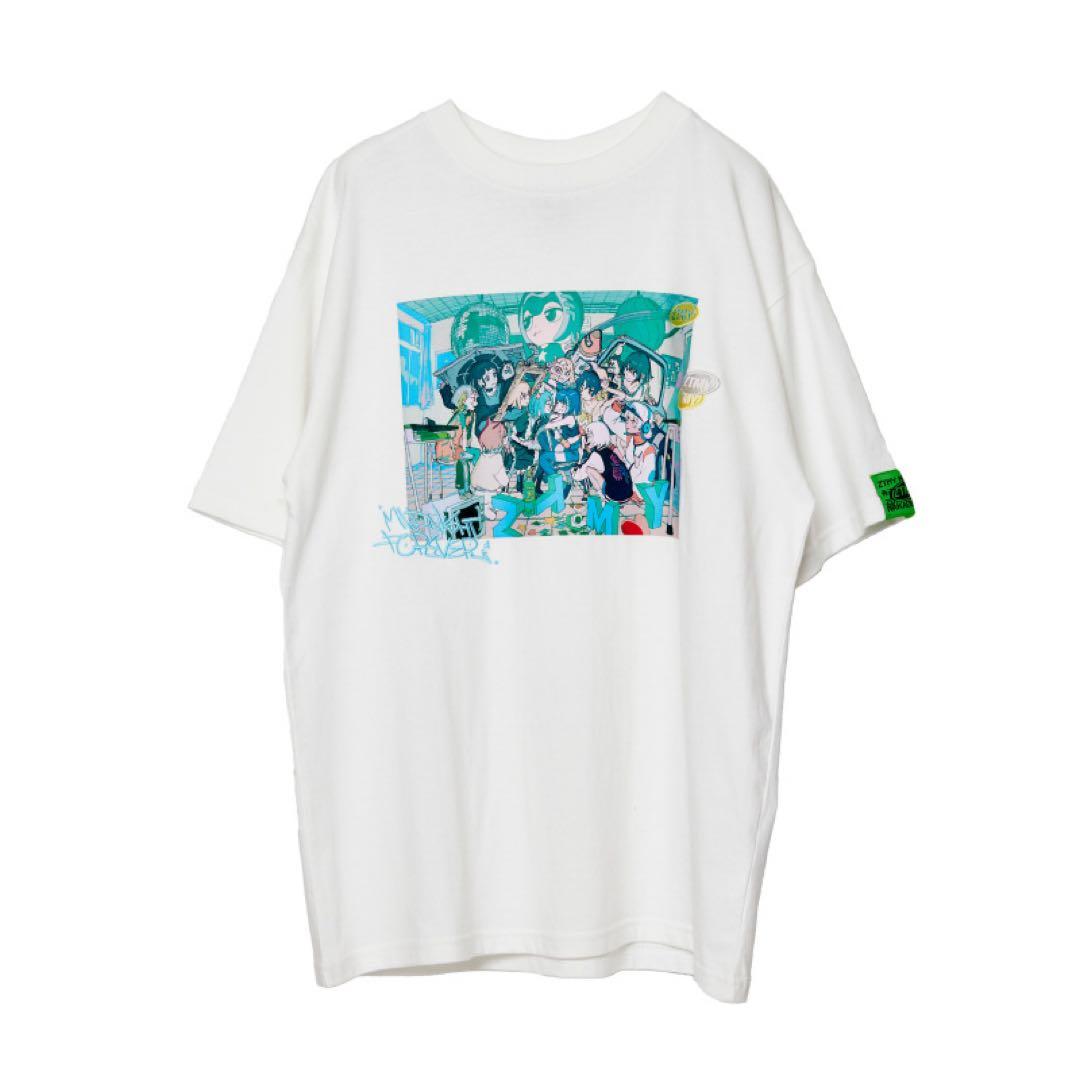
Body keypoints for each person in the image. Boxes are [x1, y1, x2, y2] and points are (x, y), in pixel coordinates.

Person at [574, 422, 633, 503]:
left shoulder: (596, 455)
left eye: (590, 436)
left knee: (588, 469)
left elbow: (578, 476)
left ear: (597, 436)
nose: (587, 439)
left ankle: (602, 496)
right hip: (628, 492)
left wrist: (573, 471)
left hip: (615, 495)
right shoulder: (609, 451)